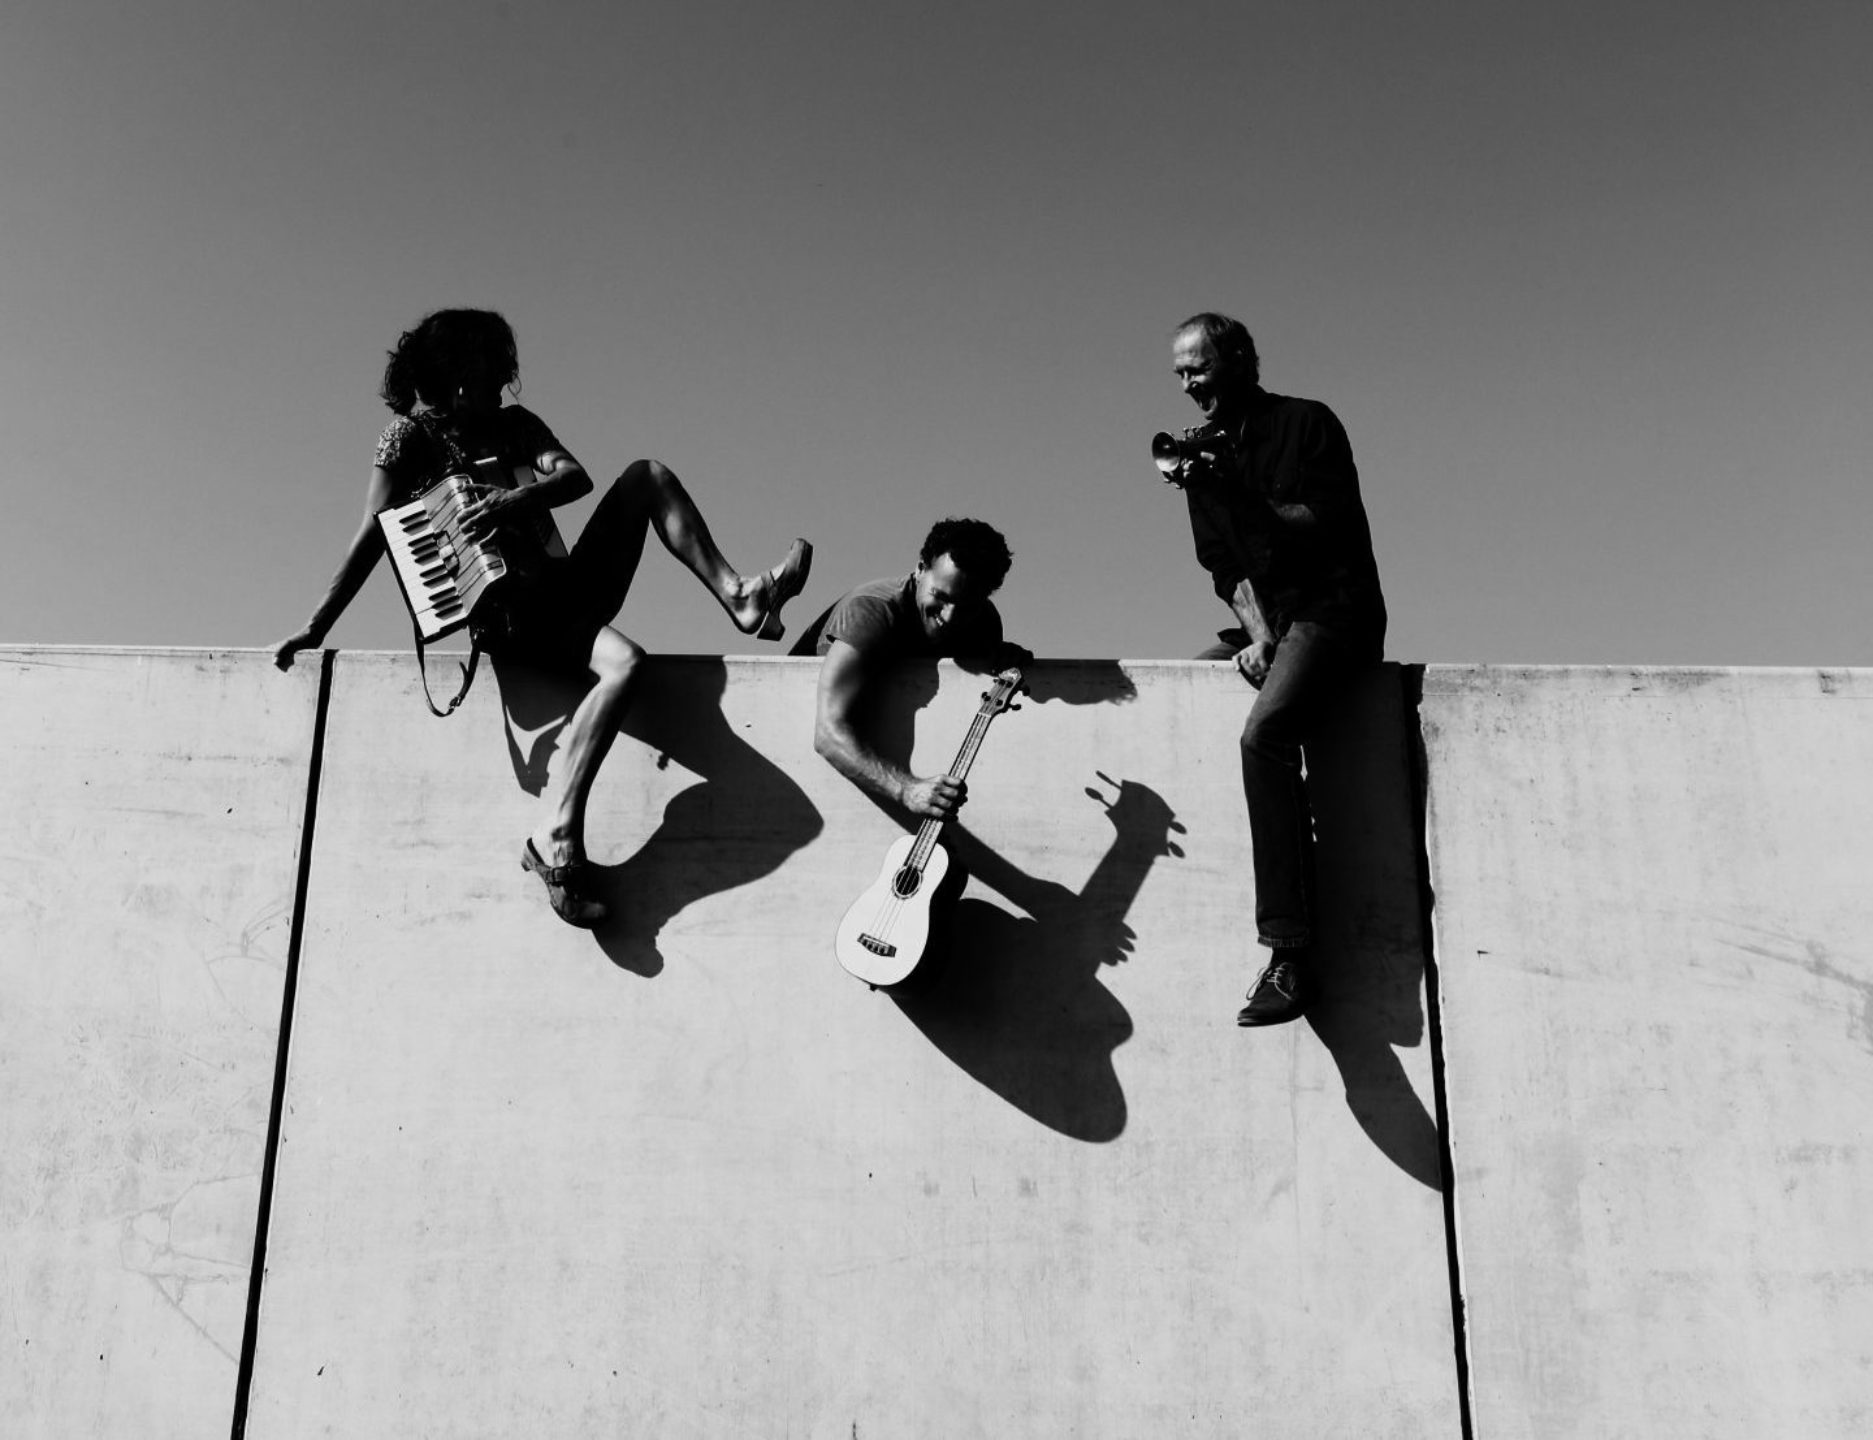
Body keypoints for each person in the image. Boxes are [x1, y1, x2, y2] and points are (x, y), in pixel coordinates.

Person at [272, 308, 812, 928]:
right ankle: (555, 836)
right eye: (494, 371)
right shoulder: (408, 438)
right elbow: (373, 535)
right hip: (509, 616)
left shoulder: (518, 425)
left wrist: (515, 499)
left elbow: (576, 478)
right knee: (626, 664)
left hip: (563, 589)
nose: (505, 383)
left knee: (648, 476)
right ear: (460, 377)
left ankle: (741, 596)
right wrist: (317, 627)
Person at [1162, 312, 1386, 1027]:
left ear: (1238, 358)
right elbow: (1223, 569)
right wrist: (1259, 638)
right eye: (1179, 373)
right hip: (1274, 624)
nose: (1187, 384)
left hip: (1334, 612)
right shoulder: (1200, 458)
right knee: (1184, 693)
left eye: (1197, 367)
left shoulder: (1306, 423)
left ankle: (1288, 953)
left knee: (1262, 737)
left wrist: (1240, 492)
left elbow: (1327, 525)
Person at [793, 517, 1026, 820]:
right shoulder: (873, 612)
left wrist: (1001, 660)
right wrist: (907, 790)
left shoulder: (984, 623)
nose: (949, 617)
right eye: (940, 597)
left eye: (968, 606)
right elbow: (827, 735)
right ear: (920, 569)